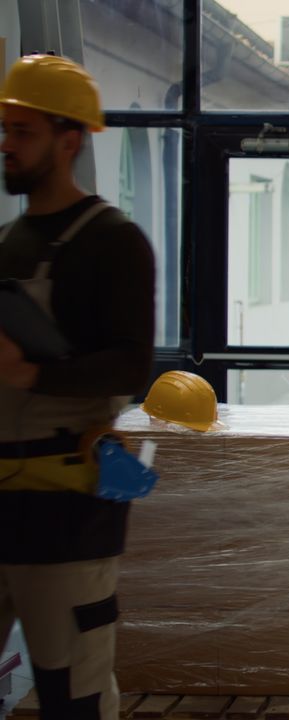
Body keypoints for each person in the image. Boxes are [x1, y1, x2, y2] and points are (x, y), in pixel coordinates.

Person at [0, 54, 155, 720]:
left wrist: (32, 373)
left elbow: (129, 365)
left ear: (70, 140)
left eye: (23, 132)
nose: (6, 145)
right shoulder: (5, 242)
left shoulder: (113, 242)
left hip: (65, 505)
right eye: (4, 129)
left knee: (74, 695)